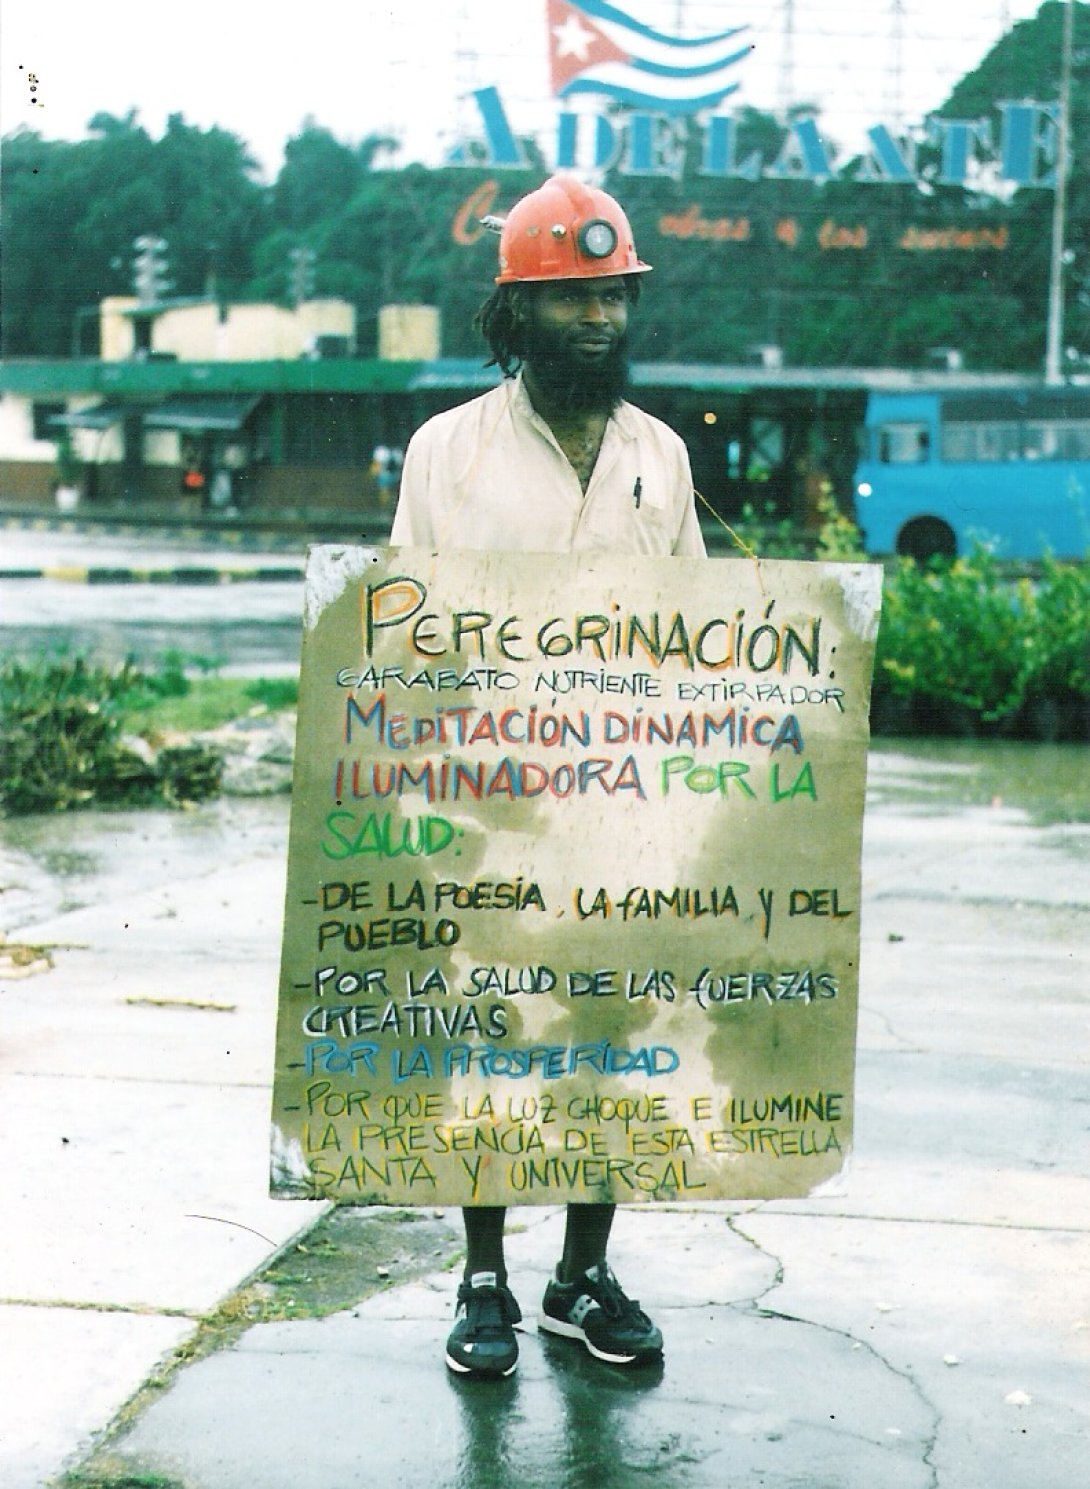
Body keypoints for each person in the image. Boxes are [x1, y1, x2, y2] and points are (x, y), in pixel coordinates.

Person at [390, 172, 706, 1379]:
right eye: (571, 300)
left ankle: (582, 1273)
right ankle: (484, 1278)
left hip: (626, 818)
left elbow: (704, 650)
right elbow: (400, 636)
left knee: (606, 1040)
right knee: (491, 1037)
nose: (599, 322)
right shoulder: (447, 453)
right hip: (488, 814)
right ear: (513, 313)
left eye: (613, 297)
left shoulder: (660, 456)